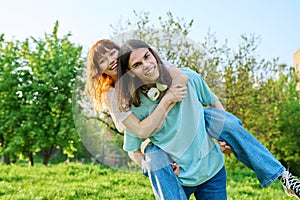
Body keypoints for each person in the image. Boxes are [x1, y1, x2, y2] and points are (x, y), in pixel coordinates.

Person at [86, 39, 300, 199]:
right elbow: (135, 143)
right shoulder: (128, 103)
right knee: (152, 154)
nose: (146, 65)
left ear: (154, 55)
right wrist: (148, 167)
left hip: (210, 170)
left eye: (147, 57)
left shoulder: (184, 76)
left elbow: (211, 100)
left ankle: (283, 176)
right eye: (137, 65)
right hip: (176, 172)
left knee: (214, 117)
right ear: (130, 72)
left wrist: (223, 135)